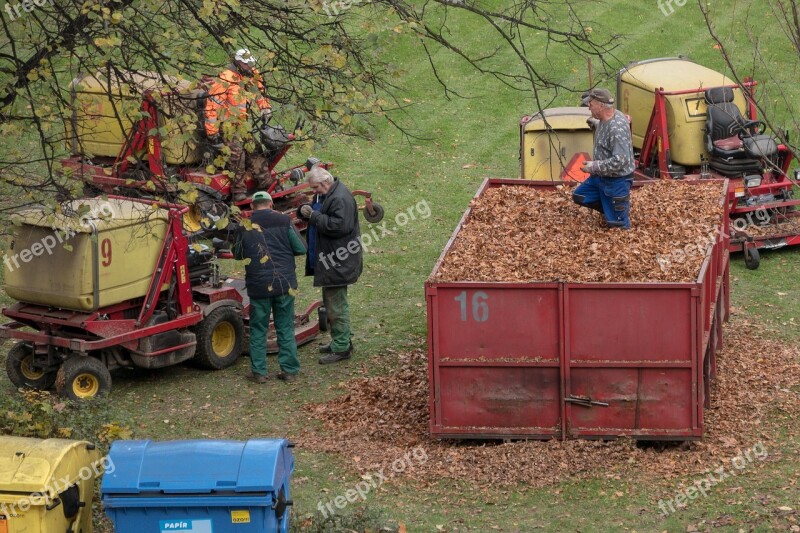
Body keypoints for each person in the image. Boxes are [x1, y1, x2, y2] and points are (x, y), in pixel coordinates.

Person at [233, 191, 306, 383]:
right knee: (285, 326)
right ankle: (289, 370)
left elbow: (238, 253)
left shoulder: (245, 226)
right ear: (271, 204)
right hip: (284, 283)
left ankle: (259, 372)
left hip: (258, 285)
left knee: (258, 328)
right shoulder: (284, 221)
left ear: (252, 207)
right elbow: (300, 248)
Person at [297, 166, 362, 364]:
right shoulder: (330, 194)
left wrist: (313, 217)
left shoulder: (340, 198)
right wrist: (304, 211)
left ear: (325, 183)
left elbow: (339, 226)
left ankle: (342, 347)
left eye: (315, 187)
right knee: (334, 302)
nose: (314, 192)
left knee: (336, 305)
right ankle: (340, 341)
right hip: (334, 260)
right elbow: (321, 212)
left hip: (338, 261)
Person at [205, 48, 272, 202]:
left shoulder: (250, 74)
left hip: (242, 125)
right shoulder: (225, 79)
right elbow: (212, 108)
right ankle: (238, 192)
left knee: (255, 150)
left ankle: (267, 184)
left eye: (250, 63)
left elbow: (259, 91)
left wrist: (265, 107)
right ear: (239, 62)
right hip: (227, 126)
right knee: (237, 156)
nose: (250, 66)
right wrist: (212, 133)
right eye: (246, 64)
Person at [573, 87, 636, 229]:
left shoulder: (616, 128)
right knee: (580, 196)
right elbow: (606, 127)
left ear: (601, 106)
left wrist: (594, 166)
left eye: (591, 103)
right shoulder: (606, 117)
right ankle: (610, 209)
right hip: (600, 178)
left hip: (617, 181)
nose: (588, 106)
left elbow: (621, 161)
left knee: (617, 226)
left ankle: (616, 212)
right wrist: (596, 124)